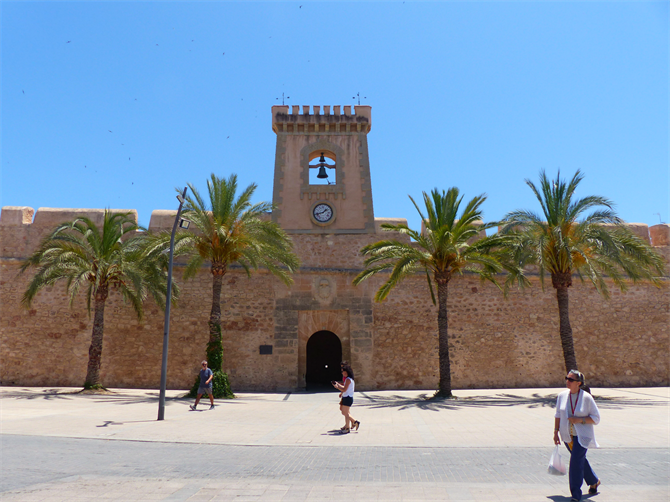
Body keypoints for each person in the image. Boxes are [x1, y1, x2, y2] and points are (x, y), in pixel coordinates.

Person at [553, 369, 601, 501]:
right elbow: (557, 414)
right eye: (566, 378)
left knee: (575, 462)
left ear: (578, 383)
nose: (567, 382)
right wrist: (555, 432)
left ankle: (575, 494)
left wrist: (580, 420)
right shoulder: (562, 396)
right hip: (567, 436)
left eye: (571, 380)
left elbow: (596, 418)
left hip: (582, 436)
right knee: (579, 460)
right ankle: (594, 481)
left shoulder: (586, 398)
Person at [332, 363, 360, 433]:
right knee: (344, 412)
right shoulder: (348, 379)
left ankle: (347, 427)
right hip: (346, 397)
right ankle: (354, 422)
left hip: (348, 398)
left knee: (346, 413)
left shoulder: (348, 380)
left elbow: (344, 389)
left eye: (344, 371)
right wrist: (338, 384)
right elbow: (344, 388)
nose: (342, 373)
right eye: (342, 372)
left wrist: (337, 387)